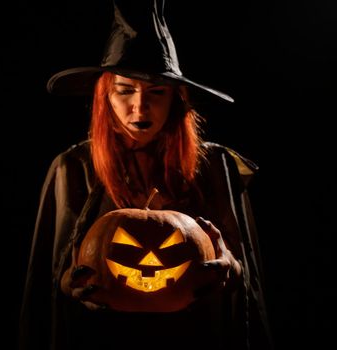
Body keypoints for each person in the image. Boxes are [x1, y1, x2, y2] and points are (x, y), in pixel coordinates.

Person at [20, 1, 273, 349]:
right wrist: (72, 283)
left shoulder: (215, 165)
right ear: (104, 96)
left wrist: (231, 266)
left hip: (193, 339)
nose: (139, 107)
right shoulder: (73, 167)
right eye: (125, 91)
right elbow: (50, 280)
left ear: (176, 98)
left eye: (156, 92)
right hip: (104, 340)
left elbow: (245, 279)